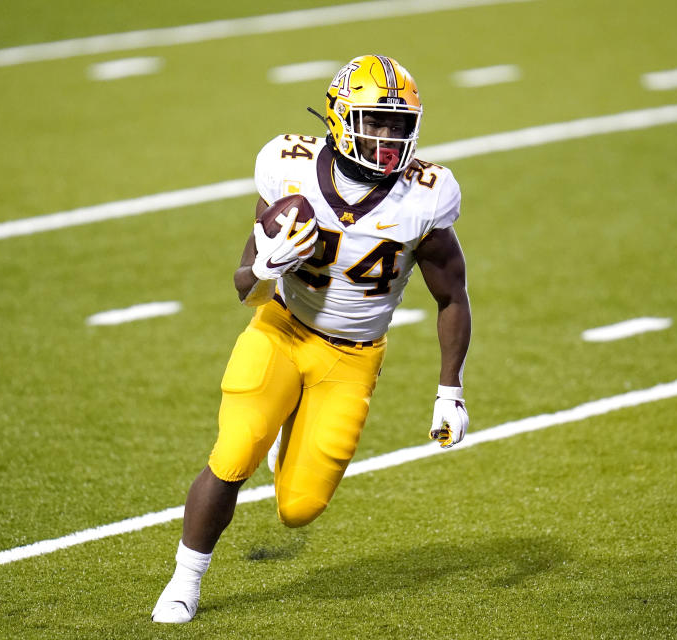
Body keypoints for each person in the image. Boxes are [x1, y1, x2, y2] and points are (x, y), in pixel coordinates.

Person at [151, 54, 471, 623]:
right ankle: (183, 581)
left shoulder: (427, 194)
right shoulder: (287, 166)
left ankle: (289, 435)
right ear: (340, 117)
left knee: (298, 508)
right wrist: (267, 268)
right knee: (234, 452)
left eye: (399, 125)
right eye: (376, 122)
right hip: (280, 329)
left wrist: (451, 389)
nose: (388, 138)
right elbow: (243, 287)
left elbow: (451, 296)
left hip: (352, 359)